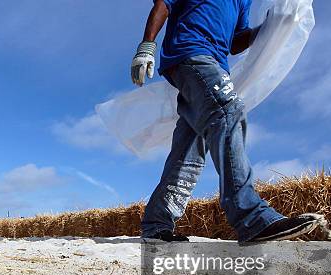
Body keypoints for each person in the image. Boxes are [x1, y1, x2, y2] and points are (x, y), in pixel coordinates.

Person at [132, 0, 319, 242]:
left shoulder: (243, 1)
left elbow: (236, 42)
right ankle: (252, 217)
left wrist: (269, 28)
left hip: (215, 64)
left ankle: (157, 225)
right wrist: (147, 46)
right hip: (190, 52)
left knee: (189, 150)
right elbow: (164, 4)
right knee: (228, 112)